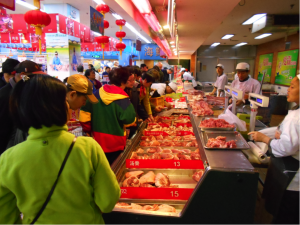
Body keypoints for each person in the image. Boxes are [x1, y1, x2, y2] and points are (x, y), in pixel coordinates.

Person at [0, 74, 120, 225]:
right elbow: (108, 202)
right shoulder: (88, 148)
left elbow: (5, 217)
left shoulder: (7, 160)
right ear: (62, 106)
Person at [248, 75, 300, 225]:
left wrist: (265, 139)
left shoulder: (296, 117)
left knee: (285, 216)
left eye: (292, 87)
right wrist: (274, 133)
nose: (288, 90)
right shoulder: (296, 112)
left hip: (292, 177)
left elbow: (286, 147)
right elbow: (282, 131)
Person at [80, 67, 136, 165]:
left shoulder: (96, 94)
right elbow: (129, 120)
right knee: (114, 169)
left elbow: (84, 115)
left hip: (97, 141)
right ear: (124, 81)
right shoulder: (123, 99)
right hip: (116, 142)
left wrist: (89, 130)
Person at [0, 60, 45, 154]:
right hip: (7, 150)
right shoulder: (5, 95)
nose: (38, 79)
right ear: (23, 75)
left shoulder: (26, 91)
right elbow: (4, 127)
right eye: (35, 77)